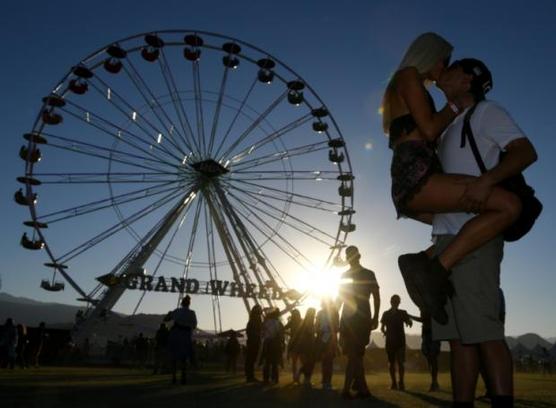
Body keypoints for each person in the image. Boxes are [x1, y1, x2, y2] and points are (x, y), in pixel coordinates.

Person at [382, 32, 522, 324]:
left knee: (467, 222)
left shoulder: (411, 86)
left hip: (414, 177)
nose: (444, 67)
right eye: (444, 60)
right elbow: (431, 130)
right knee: (508, 205)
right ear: (430, 54)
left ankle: (424, 261)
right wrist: (457, 104)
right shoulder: (408, 76)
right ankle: (431, 269)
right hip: (417, 174)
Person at [430, 58, 537, 407]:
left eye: (452, 69)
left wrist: (487, 181)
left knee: (485, 331)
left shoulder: (487, 113)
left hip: (476, 236)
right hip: (446, 235)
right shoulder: (448, 126)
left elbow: (525, 152)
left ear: (467, 79)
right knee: (459, 338)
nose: (443, 73)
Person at [337, 246, 380, 399]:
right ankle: (358, 389)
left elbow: (376, 296)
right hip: (353, 319)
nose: (350, 258)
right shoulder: (359, 274)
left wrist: (375, 317)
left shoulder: (367, 274)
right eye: (348, 255)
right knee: (355, 354)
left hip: (359, 319)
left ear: (358, 256)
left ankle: (351, 389)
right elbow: (340, 299)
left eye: (351, 255)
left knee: (355, 355)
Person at [380, 295, 412, 391]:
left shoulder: (400, 313)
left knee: (396, 363)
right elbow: (382, 328)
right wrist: (409, 322)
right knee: (395, 363)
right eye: (396, 301)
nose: (396, 303)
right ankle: (397, 383)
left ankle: (397, 383)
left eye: (397, 301)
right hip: (393, 341)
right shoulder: (388, 313)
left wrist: (409, 322)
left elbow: (382, 328)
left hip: (398, 341)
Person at [165, 295, 197, 385]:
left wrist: (170, 314)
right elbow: (194, 325)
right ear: (189, 303)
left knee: (174, 357)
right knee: (184, 358)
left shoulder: (177, 311)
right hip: (186, 336)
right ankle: (183, 376)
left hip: (175, 335)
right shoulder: (192, 313)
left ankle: (174, 377)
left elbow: (166, 319)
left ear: (182, 303)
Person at [409, 312, 441, 392]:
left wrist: (411, 316)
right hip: (427, 335)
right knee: (430, 360)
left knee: (432, 359)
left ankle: (434, 382)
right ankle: (434, 381)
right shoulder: (424, 308)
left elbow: (423, 319)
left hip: (433, 335)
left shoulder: (430, 307)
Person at [316, 298, 339, 390]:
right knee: (325, 361)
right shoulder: (320, 313)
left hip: (330, 338)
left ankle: (327, 381)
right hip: (323, 338)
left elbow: (337, 326)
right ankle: (325, 381)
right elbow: (316, 325)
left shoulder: (333, 313)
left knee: (328, 361)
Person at [260, 308, 284, 385]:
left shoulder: (266, 322)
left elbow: (262, 333)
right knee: (274, 362)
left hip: (267, 343)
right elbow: (280, 334)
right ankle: (275, 378)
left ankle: (266, 378)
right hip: (275, 343)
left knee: (267, 361)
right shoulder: (278, 323)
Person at [296, 307, 317, 386]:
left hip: (304, 345)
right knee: (309, 363)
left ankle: (303, 377)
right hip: (308, 345)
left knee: (307, 363)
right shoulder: (310, 322)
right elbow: (310, 332)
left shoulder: (304, 322)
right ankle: (305, 379)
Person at [244, 304, 263, 383]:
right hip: (254, 341)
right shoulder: (256, 319)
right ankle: (250, 377)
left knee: (250, 359)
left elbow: (249, 331)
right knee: (251, 359)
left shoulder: (252, 319)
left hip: (252, 341)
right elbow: (258, 329)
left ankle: (249, 376)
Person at [284, 308, 302, 383]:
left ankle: (295, 377)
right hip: (300, 342)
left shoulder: (291, 322)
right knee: (301, 361)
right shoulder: (302, 321)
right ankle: (298, 377)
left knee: (294, 362)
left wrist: (289, 334)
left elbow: (283, 328)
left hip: (293, 342)